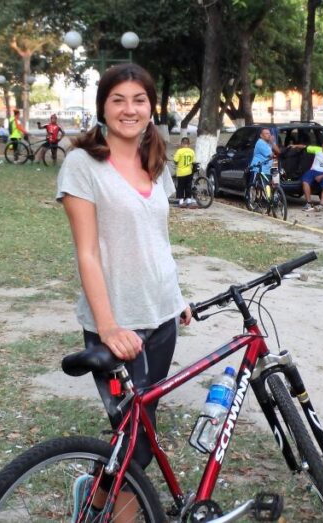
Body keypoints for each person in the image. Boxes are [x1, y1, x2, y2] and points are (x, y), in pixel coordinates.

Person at [56, 64, 192, 516]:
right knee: (136, 448)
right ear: (103, 107)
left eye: (139, 100)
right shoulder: (82, 165)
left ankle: (96, 498)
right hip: (117, 325)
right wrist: (109, 325)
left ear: (151, 108)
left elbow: (157, 240)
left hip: (162, 318)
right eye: (118, 100)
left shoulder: (156, 163)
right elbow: (88, 254)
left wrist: (177, 296)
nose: (129, 109)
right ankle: (110, 508)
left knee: (138, 437)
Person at [289, 138, 323, 211]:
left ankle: (321, 205)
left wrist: (321, 176)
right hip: (313, 171)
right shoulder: (317, 149)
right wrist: (294, 146)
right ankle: (309, 203)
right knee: (305, 181)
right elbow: (304, 147)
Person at [173, 136, 196, 207]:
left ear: (182, 143)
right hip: (189, 172)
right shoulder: (192, 151)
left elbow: (176, 161)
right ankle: (188, 200)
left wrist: (177, 163)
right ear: (189, 144)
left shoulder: (179, 151)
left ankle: (181, 201)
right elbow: (193, 162)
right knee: (188, 186)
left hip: (181, 172)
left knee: (180, 187)